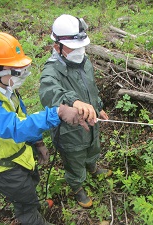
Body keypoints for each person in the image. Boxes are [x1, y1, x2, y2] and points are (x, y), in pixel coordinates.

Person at [0, 32, 89, 225]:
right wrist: (58, 112)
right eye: (16, 71)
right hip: (5, 169)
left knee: (30, 187)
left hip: (21, 156)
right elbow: (14, 127)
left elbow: (20, 115)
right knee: (25, 205)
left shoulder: (3, 87)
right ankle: (32, 215)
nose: (21, 76)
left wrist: (37, 142)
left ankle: (33, 203)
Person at [39, 14, 112, 208]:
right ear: (58, 47)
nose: (80, 51)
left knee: (92, 147)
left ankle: (93, 168)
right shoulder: (52, 70)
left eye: (82, 46)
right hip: (69, 131)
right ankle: (77, 186)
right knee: (75, 158)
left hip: (91, 121)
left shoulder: (84, 62)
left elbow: (91, 88)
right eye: (74, 47)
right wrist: (73, 101)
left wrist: (99, 106)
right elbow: (49, 93)